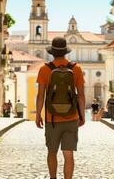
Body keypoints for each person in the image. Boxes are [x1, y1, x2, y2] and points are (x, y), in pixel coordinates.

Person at [35, 37, 85, 179]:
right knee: (68, 154)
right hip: (72, 117)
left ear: (52, 52)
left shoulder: (45, 69)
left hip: (52, 119)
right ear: (65, 52)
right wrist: (81, 116)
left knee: (52, 152)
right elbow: (81, 96)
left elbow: (40, 95)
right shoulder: (76, 69)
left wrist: (38, 115)